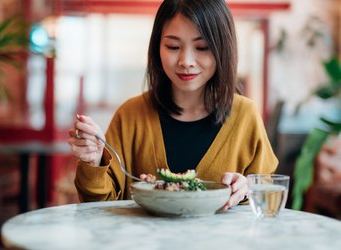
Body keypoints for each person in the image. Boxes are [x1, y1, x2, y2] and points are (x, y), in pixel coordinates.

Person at [68, 0, 278, 210]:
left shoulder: (245, 115)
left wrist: (247, 188)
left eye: (202, 47)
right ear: (157, 47)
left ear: (223, 49)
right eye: (173, 46)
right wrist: (94, 162)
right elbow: (99, 208)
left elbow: (266, 200)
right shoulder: (130, 115)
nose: (186, 61)